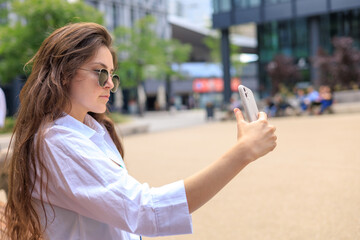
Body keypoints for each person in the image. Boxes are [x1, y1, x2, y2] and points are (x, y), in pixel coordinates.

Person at [4, 22, 277, 240]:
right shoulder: (58, 141)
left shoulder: (88, 129)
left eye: (113, 75)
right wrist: (242, 153)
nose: (110, 83)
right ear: (64, 74)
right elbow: (145, 210)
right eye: (100, 73)